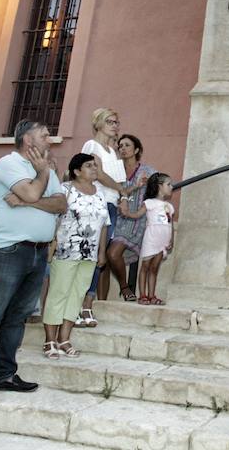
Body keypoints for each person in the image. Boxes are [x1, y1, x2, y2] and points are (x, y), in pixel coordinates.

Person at [0, 119, 66, 403]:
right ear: (27, 139)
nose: (50, 140)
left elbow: (61, 204)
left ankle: (5, 374)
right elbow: (34, 191)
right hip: (8, 250)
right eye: (45, 135)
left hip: (38, 251)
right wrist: (42, 175)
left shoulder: (44, 167)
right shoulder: (9, 164)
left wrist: (30, 199)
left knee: (17, 317)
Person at [43, 154, 110, 358]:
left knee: (77, 295)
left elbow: (104, 224)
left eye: (95, 165)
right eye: (88, 166)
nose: (94, 169)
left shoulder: (100, 193)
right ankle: (50, 341)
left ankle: (64, 339)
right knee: (59, 293)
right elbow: (54, 219)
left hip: (89, 253)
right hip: (66, 250)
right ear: (77, 171)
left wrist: (101, 251)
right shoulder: (65, 189)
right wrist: (50, 246)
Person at [79, 108, 126, 321]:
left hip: (112, 205)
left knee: (101, 254)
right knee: (92, 253)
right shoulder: (92, 146)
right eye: (109, 121)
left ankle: (89, 300)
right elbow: (99, 174)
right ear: (98, 123)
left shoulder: (113, 151)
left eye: (116, 122)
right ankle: (82, 302)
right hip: (97, 204)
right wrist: (121, 190)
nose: (114, 125)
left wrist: (123, 196)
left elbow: (121, 180)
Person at [104, 134, 156, 301]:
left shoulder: (148, 171)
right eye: (120, 146)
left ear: (137, 149)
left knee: (112, 254)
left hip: (137, 220)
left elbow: (159, 193)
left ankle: (125, 288)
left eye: (127, 145)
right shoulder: (114, 171)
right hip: (115, 218)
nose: (123, 148)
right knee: (104, 258)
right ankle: (100, 301)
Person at [135, 172, 174, 305]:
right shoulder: (149, 203)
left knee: (154, 268)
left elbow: (170, 224)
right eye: (168, 184)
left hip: (162, 242)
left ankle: (152, 295)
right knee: (145, 266)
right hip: (151, 238)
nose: (171, 187)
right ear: (159, 186)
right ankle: (142, 295)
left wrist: (171, 240)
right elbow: (137, 215)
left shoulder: (169, 206)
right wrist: (126, 211)